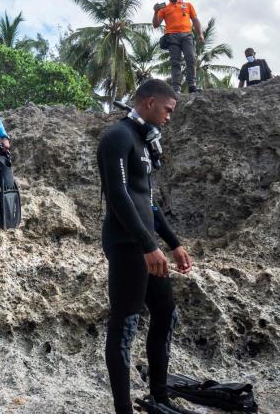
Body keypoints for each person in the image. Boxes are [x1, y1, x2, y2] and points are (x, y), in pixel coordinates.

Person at [97, 78, 194, 413]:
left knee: (166, 312)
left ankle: (159, 396)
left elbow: (147, 202)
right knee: (125, 324)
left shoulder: (144, 140)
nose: (169, 116)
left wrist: (173, 243)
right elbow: (119, 197)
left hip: (146, 243)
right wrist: (146, 245)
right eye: (167, 110)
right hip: (127, 244)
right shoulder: (118, 137)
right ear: (150, 102)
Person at [152, 0, 204, 94]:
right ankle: (176, 89)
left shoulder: (188, 5)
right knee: (175, 62)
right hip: (172, 36)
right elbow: (156, 24)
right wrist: (155, 12)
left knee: (191, 59)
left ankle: (192, 86)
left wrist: (200, 34)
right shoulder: (164, 9)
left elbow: (195, 20)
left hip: (187, 35)